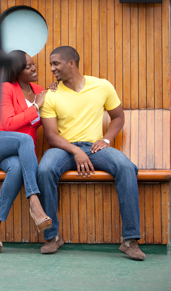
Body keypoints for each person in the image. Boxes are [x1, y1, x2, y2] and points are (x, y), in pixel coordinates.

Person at [36, 46, 145, 261]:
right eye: (51, 65)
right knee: (45, 169)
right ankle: (53, 237)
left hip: (95, 148)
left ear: (71, 63)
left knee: (126, 167)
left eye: (55, 64)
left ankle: (130, 240)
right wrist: (76, 151)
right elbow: (51, 136)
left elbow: (118, 117)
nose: (51, 68)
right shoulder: (51, 95)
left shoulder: (102, 86)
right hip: (63, 148)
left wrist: (105, 140)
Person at [0, 50, 55, 253]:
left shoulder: (39, 90)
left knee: (16, 168)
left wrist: (53, 91)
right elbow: (9, 123)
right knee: (24, 139)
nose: (34, 68)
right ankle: (34, 201)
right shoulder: (5, 88)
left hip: (19, 153)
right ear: (17, 71)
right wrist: (36, 107)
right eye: (28, 66)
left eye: (33, 64)